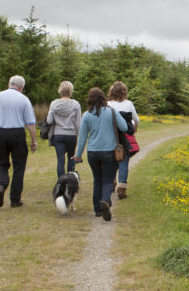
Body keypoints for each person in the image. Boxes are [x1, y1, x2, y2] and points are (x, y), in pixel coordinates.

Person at [73, 86, 128, 221]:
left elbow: (82, 138)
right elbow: (124, 127)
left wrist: (78, 155)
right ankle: (105, 201)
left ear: (89, 100)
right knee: (108, 179)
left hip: (93, 153)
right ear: (103, 98)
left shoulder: (86, 115)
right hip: (109, 151)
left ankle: (97, 210)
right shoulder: (112, 111)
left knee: (97, 179)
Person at [0, 75, 38, 208]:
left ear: (9, 84)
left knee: (1, 163)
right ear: (21, 87)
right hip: (17, 133)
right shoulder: (24, 99)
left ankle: (1, 184)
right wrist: (34, 140)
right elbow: (30, 123)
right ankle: (15, 199)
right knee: (19, 167)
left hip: (1, 132)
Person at [106, 80, 139, 199]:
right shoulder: (129, 104)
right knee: (123, 161)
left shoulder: (108, 104)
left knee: (112, 160)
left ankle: (112, 181)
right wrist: (134, 128)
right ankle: (121, 188)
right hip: (125, 136)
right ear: (124, 92)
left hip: (111, 136)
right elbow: (136, 119)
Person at [45, 80, 82, 178]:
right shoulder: (76, 104)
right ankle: (70, 182)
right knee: (71, 158)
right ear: (71, 91)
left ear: (60, 90)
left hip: (58, 135)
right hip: (71, 135)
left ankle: (61, 183)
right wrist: (80, 137)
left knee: (60, 161)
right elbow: (78, 124)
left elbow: (49, 121)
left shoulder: (54, 104)